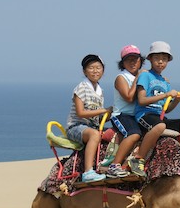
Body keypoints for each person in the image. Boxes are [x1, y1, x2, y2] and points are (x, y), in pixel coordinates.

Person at [135, 41, 180, 171]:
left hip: (160, 118)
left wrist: (177, 100)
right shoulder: (145, 75)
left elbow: (166, 109)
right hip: (145, 114)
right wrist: (166, 95)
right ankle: (138, 159)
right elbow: (141, 100)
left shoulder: (164, 82)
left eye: (164, 59)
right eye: (157, 58)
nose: (160, 62)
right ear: (150, 59)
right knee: (160, 126)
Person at [107, 45, 166, 178]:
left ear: (141, 61)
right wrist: (138, 78)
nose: (133, 62)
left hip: (137, 115)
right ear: (123, 63)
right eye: (129, 60)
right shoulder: (121, 77)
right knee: (134, 134)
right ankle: (114, 166)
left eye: (136, 59)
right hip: (122, 115)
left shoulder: (145, 76)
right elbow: (129, 97)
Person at [67, 54, 113, 183]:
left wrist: (111, 114)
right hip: (76, 126)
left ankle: (109, 166)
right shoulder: (81, 87)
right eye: (91, 68)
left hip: (92, 126)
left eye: (98, 68)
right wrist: (104, 110)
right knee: (94, 135)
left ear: (103, 70)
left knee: (114, 134)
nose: (95, 71)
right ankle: (88, 172)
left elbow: (97, 117)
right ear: (84, 71)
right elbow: (80, 113)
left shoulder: (99, 91)